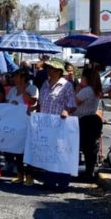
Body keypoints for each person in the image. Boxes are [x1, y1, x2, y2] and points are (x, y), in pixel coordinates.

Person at [34, 58, 77, 190]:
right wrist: (34, 110)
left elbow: (72, 104)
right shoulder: (45, 85)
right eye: (48, 68)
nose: (49, 70)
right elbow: (40, 103)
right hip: (46, 125)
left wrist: (66, 110)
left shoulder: (67, 85)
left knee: (61, 152)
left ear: (59, 71)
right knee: (48, 150)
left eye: (52, 68)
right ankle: (49, 180)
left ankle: (63, 182)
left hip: (60, 124)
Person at [5, 68, 39, 185]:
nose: (14, 79)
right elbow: (7, 104)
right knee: (17, 150)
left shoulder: (32, 88)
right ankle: (20, 174)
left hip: (28, 124)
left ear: (23, 77)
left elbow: (31, 102)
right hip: (16, 124)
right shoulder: (12, 90)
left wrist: (22, 89)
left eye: (16, 76)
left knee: (28, 150)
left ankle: (29, 175)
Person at [74, 68, 103, 182]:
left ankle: (86, 173)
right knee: (89, 149)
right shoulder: (95, 90)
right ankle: (89, 171)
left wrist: (76, 91)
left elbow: (74, 102)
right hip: (92, 119)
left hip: (83, 120)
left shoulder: (86, 91)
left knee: (84, 147)